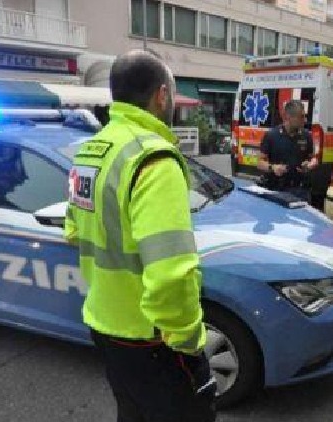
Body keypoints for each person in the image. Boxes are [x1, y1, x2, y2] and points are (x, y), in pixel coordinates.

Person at [64, 49, 216, 422]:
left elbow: (72, 230)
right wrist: (188, 339)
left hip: (104, 323)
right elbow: (170, 273)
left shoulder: (90, 152)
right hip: (151, 337)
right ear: (161, 95)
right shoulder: (153, 158)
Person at [256, 99, 318, 201]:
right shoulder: (272, 135)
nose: (305, 120)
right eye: (301, 116)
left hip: (301, 191)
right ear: (289, 117)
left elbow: (313, 159)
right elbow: (259, 163)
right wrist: (273, 167)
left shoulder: (306, 136)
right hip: (277, 189)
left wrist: (310, 164)